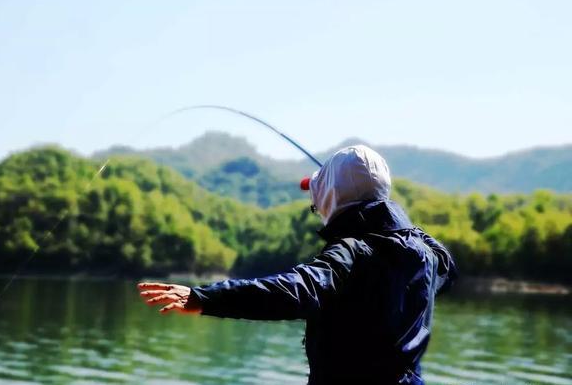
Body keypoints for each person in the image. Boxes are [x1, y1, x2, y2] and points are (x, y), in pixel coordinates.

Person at [138, 145, 457, 385]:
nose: (315, 207)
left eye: (316, 199)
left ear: (332, 196)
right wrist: (395, 220)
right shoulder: (425, 256)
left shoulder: (351, 253)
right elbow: (445, 264)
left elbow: (297, 289)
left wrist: (205, 298)